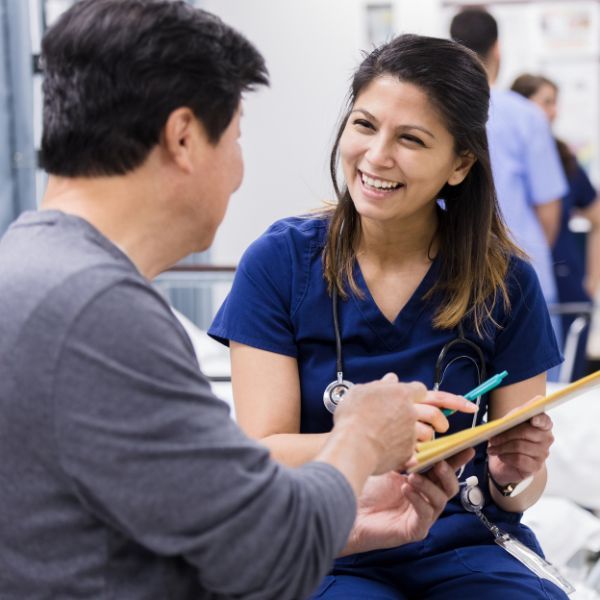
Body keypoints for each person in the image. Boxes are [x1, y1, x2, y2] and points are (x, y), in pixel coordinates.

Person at [0, 2, 474, 599]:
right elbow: (261, 558)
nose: (238, 174)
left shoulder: (32, 273)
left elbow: (210, 528)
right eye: (237, 137)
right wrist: (362, 435)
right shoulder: (96, 312)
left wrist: (346, 524)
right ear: (184, 138)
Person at [209, 33, 567, 598]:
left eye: (411, 139)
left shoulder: (505, 282)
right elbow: (264, 453)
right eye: (364, 125)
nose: (377, 156)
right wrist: (383, 438)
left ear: (460, 163)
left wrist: (511, 474)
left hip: (469, 544)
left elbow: (519, 491)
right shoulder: (280, 264)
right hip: (331, 546)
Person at [450, 9, 568, 355]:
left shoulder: (442, 113)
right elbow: (548, 209)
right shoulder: (526, 115)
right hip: (524, 276)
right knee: (540, 400)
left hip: (457, 280)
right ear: (497, 49)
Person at [511, 73, 600, 379]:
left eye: (555, 103)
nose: (553, 112)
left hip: (564, 285)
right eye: (546, 102)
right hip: (519, 282)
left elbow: (597, 216)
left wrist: (592, 278)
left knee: (564, 384)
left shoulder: (564, 158)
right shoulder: (498, 154)